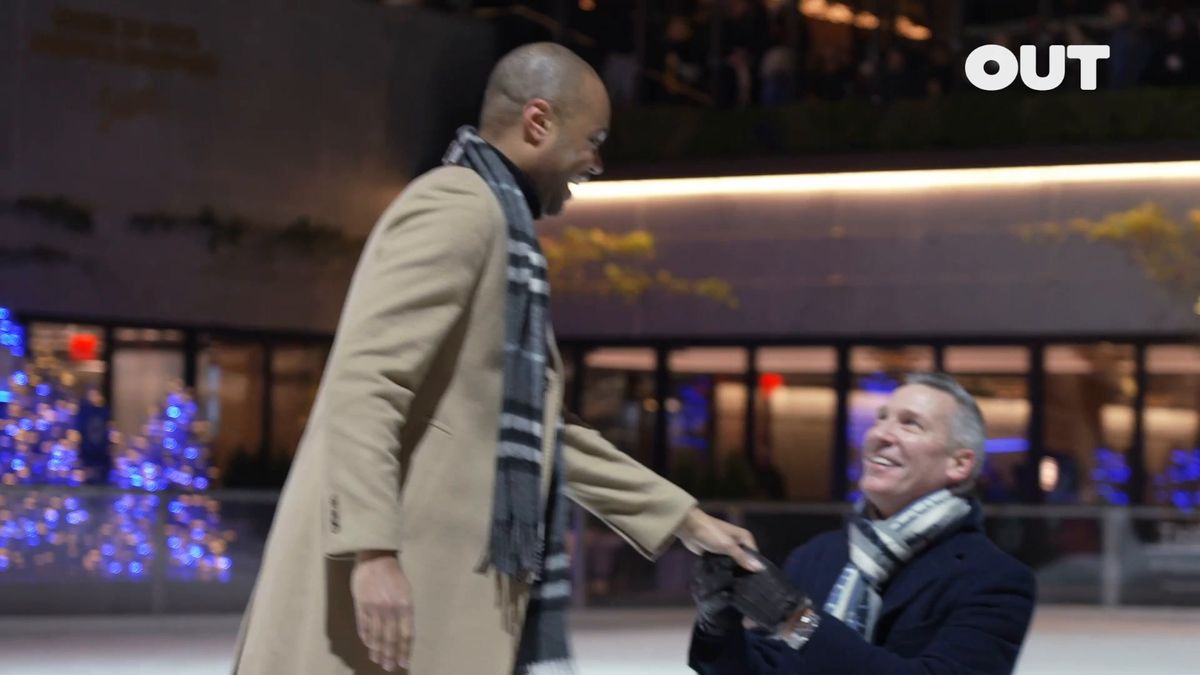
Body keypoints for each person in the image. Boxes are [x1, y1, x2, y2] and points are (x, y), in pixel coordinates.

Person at [231, 42, 760, 675]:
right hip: (387, 602)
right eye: (592, 140)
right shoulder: (456, 208)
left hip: (438, 600)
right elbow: (368, 383)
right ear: (538, 123)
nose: (595, 161)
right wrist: (373, 554)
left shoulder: (502, 232)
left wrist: (684, 520)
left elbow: (540, 433)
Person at [689, 372, 1037, 675]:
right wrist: (719, 625)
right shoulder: (817, 556)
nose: (880, 435)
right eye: (880, 419)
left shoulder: (995, 580)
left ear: (959, 464)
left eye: (910, 423)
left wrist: (799, 622)